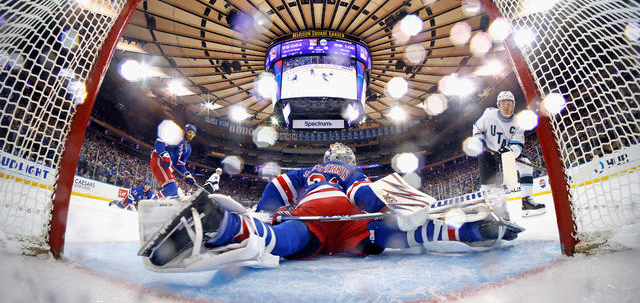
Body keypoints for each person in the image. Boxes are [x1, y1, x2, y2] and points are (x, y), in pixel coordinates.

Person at [139, 143, 522, 270]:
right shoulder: (348, 168)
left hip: (314, 220)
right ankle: (469, 231)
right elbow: (362, 195)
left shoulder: (310, 171)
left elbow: (277, 185)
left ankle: (224, 227)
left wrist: (263, 213)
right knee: (404, 234)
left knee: (278, 239)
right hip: (354, 226)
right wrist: (389, 215)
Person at [472, 91, 546, 218]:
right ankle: (495, 212)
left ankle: (526, 201)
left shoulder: (518, 122)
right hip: (489, 152)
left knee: (526, 165)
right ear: (498, 105)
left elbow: (518, 143)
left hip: (505, 153)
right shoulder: (489, 114)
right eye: (503, 103)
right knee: (490, 183)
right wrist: (479, 139)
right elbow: (477, 129)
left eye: (509, 103)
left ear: (513, 105)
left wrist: (510, 152)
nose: (506, 106)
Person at [149, 123, 197, 198]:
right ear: (185, 131)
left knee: (173, 192)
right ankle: (150, 206)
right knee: (172, 188)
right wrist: (164, 154)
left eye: (193, 133)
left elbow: (180, 165)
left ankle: (152, 203)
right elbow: (159, 141)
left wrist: (187, 175)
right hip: (159, 160)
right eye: (189, 132)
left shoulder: (188, 149)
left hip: (167, 166)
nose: (191, 134)